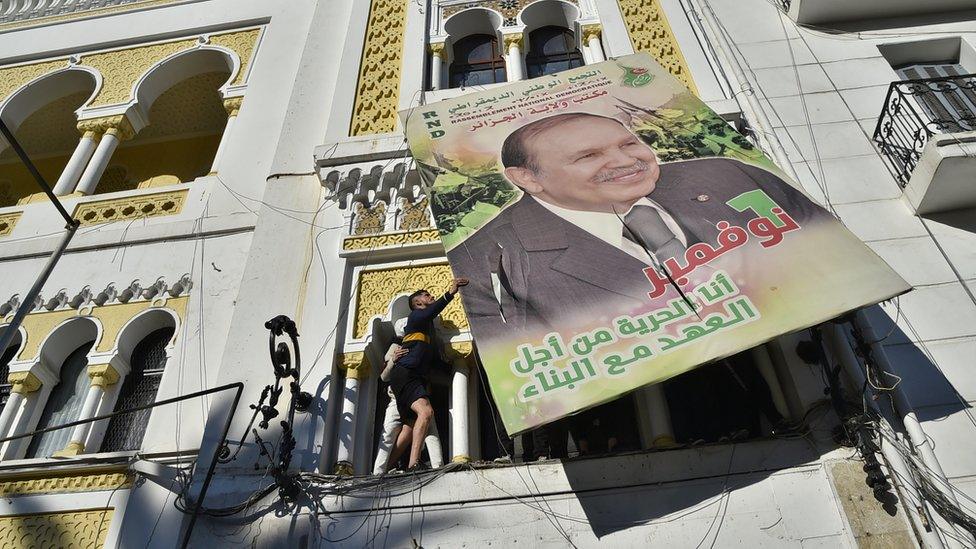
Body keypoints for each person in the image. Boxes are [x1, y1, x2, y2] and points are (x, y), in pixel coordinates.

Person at [450, 112, 833, 341]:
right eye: (589, 156)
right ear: (528, 178)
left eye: (628, 144)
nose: (626, 162)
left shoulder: (726, 175)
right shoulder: (489, 259)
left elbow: (828, 248)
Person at [387, 277, 469, 471]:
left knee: (409, 426)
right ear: (417, 304)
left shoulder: (426, 329)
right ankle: (413, 463)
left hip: (408, 376)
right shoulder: (416, 317)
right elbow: (432, 311)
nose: (430, 296)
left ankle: (385, 468)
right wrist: (450, 293)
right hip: (407, 374)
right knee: (426, 412)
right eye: (426, 295)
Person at [373, 318, 444, 474]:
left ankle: (437, 467)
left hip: (417, 393)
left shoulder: (422, 347)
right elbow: (384, 377)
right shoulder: (397, 347)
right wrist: (393, 359)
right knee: (389, 433)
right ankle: (378, 472)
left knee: (415, 429)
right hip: (397, 396)